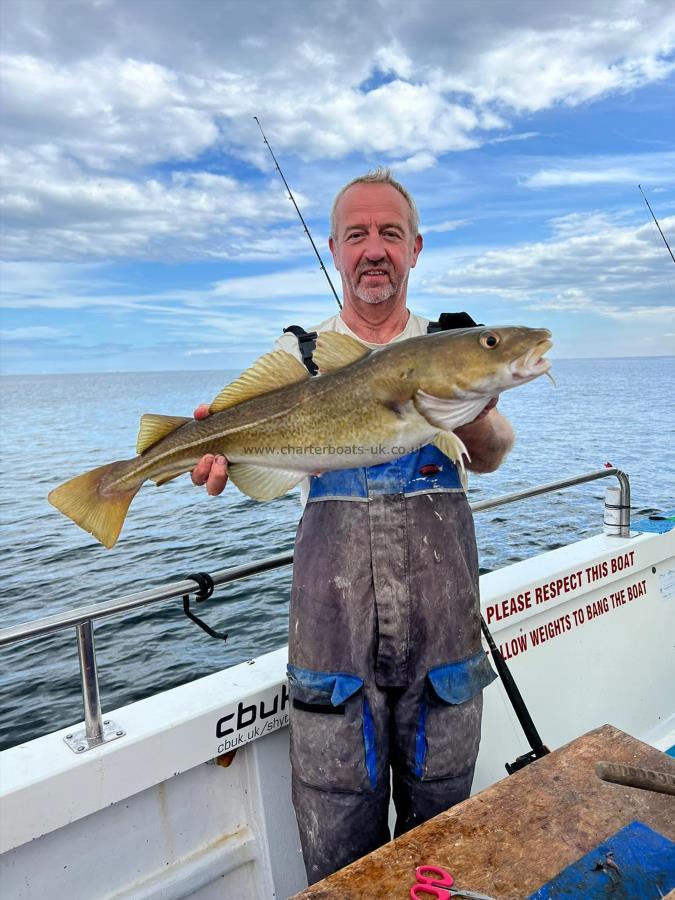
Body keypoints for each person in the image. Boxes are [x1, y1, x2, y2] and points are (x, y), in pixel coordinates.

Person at [191, 170, 514, 884]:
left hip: (443, 649)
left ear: (415, 248)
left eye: (390, 234)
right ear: (336, 249)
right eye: (358, 235)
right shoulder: (300, 357)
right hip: (332, 646)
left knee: (441, 841)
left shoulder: (452, 343)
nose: (374, 250)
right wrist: (208, 455)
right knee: (341, 850)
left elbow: (489, 458)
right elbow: (239, 444)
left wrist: (473, 402)